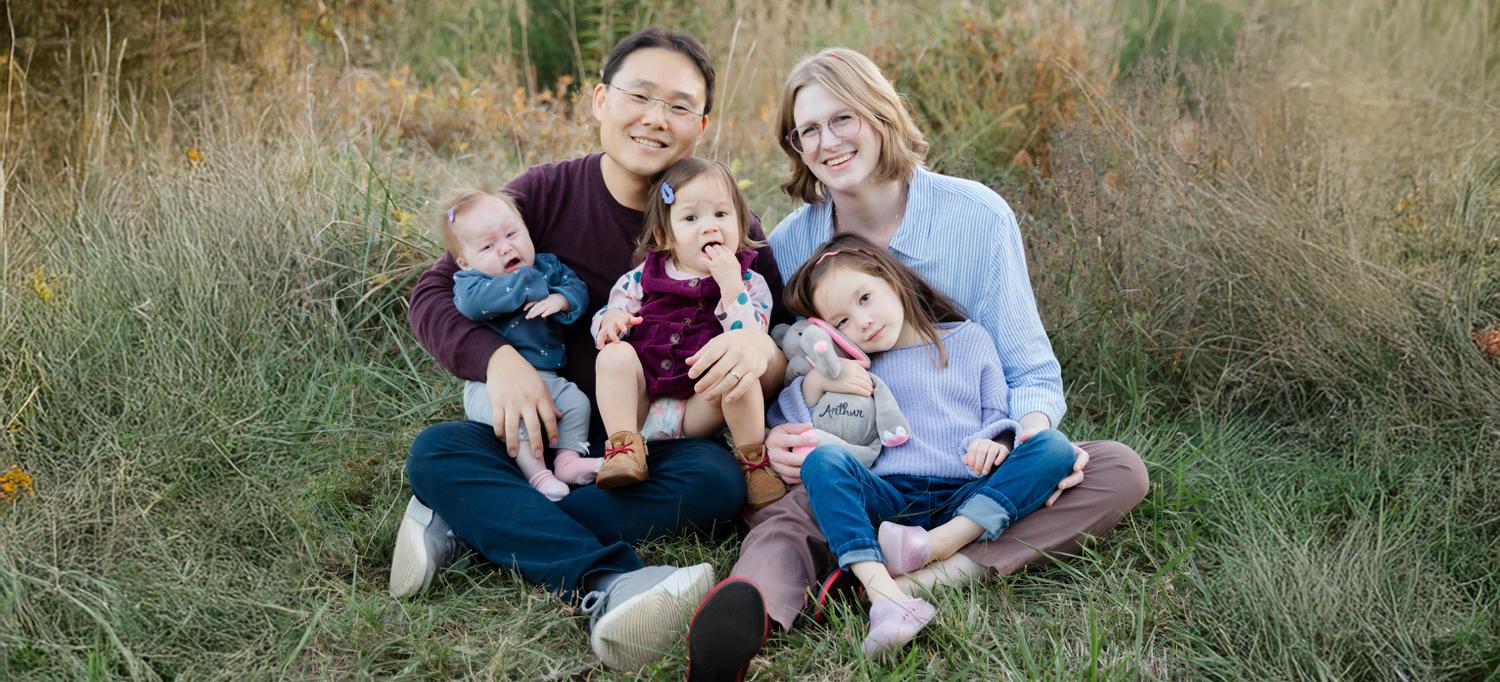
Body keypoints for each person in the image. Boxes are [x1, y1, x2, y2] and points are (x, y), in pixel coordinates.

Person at [684, 47, 1148, 677]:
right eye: (808, 130)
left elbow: (1030, 371)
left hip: (973, 469)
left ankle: (932, 576)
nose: (827, 142)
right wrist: (780, 436)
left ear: (880, 114)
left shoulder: (975, 216)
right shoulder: (791, 243)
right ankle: (751, 612)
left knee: (1115, 469)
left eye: (842, 118)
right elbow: (790, 365)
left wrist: (1028, 439)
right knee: (793, 511)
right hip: (870, 469)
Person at [390, 28, 789, 672]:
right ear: (602, 100)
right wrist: (501, 364)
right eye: (640, 95)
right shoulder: (545, 194)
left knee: (714, 481)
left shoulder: (718, 217)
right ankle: (609, 582)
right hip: (545, 432)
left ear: (702, 124)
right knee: (438, 450)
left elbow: (773, 334)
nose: (656, 119)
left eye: (679, 105)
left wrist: (755, 349)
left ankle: (475, 522)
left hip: (656, 445)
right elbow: (433, 293)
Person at [778, 235, 1078, 657]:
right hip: (891, 498)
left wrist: (994, 442)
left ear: (892, 280)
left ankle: (939, 545)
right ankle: (886, 598)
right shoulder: (851, 369)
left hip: (966, 492)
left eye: (866, 297)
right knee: (824, 461)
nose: (862, 322)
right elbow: (791, 417)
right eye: (841, 322)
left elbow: (996, 415)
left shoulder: (969, 339)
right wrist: (816, 382)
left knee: (1054, 448)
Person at [590, 157, 786, 509]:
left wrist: (730, 287)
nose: (709, 228)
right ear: (665, 236)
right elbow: (610, 312)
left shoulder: (749, 283)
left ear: (741, 226)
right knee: (613, 356)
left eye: (721, 215)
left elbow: (752, 339)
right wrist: (613, 318)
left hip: (700, 406)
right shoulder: (642, 277)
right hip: (643, 400)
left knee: (737, 373)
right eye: (691, 218)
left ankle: (753, 462)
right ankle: (623, 448)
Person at [438, 188, 598, 501]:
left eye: (513, 233)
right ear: (465, 262)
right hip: (493, 385)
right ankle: (537, 474)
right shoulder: (471, 284)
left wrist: (562, 299)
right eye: (487, 246)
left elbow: (576, 287)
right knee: (516, 420)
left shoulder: (547, 265)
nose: (506, 248)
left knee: (578, 404)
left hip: (550, 378)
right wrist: (531, 283)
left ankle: (568, 460)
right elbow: (475, 306)